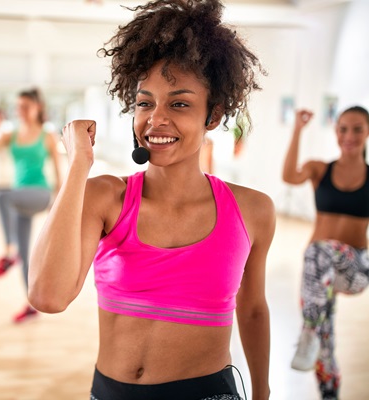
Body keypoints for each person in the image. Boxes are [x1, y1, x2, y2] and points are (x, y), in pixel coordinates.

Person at [28, 1, 275, 399]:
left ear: (213, 115)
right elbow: (47, 296)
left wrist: (262, 393)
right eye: (145, 103)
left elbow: (253, 309)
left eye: (179, 104)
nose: (155, 119)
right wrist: (78, 166)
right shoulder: (106, 197)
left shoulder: (253, 210)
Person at [283, 106, 369, 400]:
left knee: (319, 250)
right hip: (318, 275)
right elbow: (289, 176)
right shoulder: (321, 169)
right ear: (336, 132)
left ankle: (308, 331)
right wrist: (297, 129)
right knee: (323, 336)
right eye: (343, 128)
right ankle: (330, 392)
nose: (349, 135)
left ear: (367, 132)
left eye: (357, 129)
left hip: (354, 269)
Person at [0, 88, 62, 323]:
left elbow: (58, 172)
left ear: (38, 108)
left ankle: (7, 252)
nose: (21, 111)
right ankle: (31, 304)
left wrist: (59, 203)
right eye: (18, 107)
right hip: (20, 198)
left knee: (1, 197)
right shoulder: (11, 135)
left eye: (26, 106)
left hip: (39, 193)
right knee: (25, 255)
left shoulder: (47, 136)